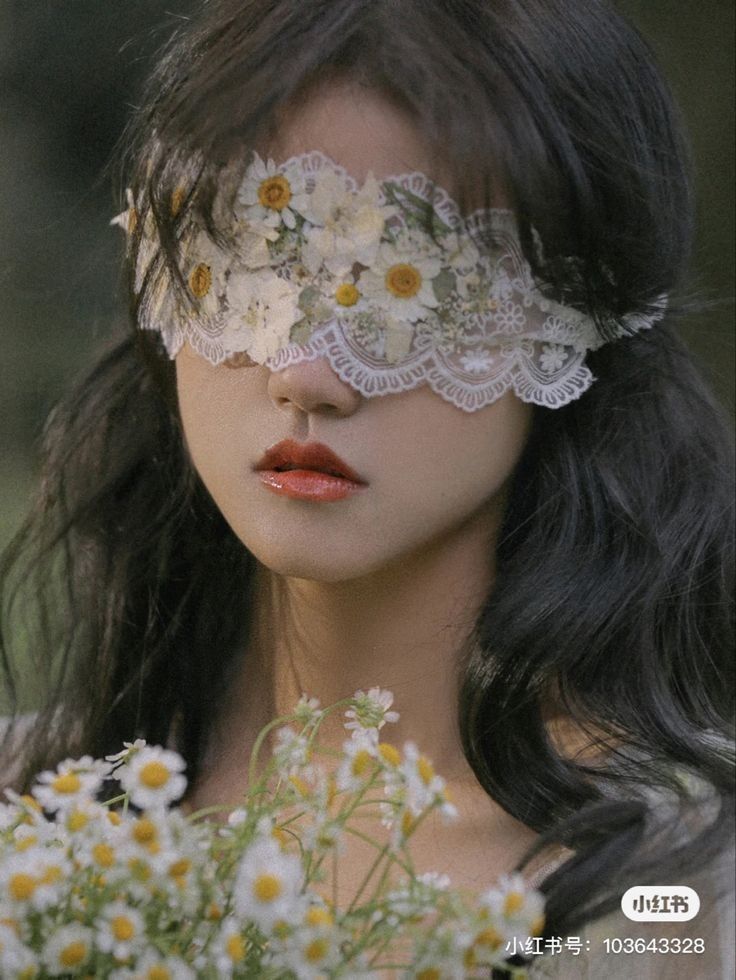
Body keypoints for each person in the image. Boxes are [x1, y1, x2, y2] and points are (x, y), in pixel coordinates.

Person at [1, 1, 733, 976]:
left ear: (580, 325)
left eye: (411, 282)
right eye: (250, 262)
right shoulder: (32, 830)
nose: (306, 370)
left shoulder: (672, 898)